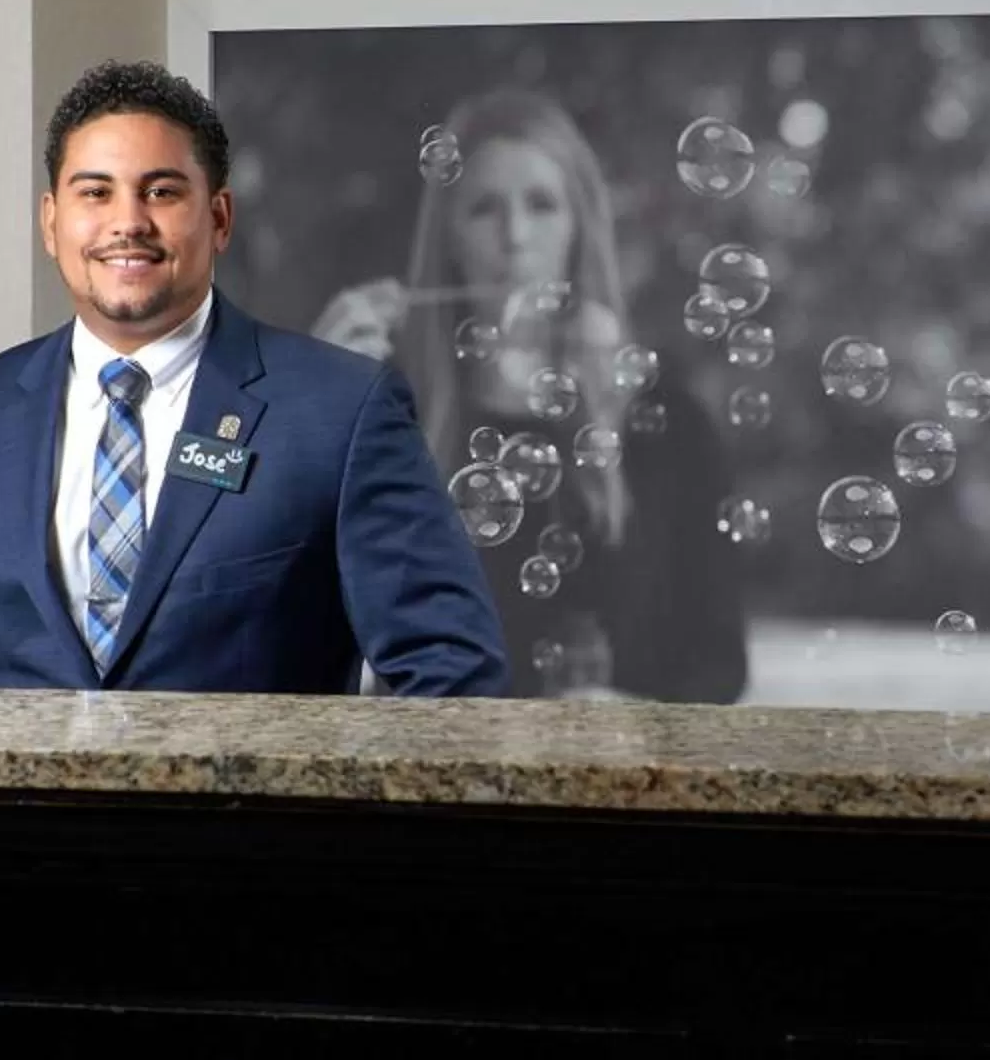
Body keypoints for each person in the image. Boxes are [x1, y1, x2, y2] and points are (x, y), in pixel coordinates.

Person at [0, 60, 507, 695]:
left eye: (161, 192)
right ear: (52, 222)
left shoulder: (342, 412)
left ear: (218, 219)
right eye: (95, 193)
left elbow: (451, 675)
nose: (127, 222)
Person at [311, 88, 748, 702]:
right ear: (449, 241)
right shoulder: (389, 425)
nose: (514, 236)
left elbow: (719, 669)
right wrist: (312, 417)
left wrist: (633, 723)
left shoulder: (669, 428)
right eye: (484, 208)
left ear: (578, 229)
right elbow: (296, 634)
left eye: (541, 205)